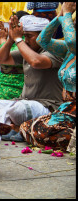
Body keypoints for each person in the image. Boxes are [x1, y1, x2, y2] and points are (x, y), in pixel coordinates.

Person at [0, 14, 64, 142]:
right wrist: (10, 39)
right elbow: (0, 59)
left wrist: (18, 39)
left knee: (18, 110)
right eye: (24, 36)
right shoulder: (28, 49)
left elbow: (36, 62)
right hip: (24, 103)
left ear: (44, 36)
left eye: (29, 36)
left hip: (47, 107)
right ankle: (16, 129)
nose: (25, 40)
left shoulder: (55, 51)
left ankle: (16, 128)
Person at [20, 2, 76, 151]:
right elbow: (42, 40)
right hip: (66, 109)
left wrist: (68, 14)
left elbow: (71, 40)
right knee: (27, 126)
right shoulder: (68, 50)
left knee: (43, 132)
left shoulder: (72, 45)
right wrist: (60, 16)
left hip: (73, 112)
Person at [0, 11, 29, 100]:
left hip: (16, 90)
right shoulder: (10, 39)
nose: (10, 28)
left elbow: (8, 57)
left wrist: (3, 40)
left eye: (13, 24)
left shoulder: (26, 41)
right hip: (1, 87)